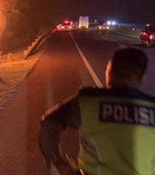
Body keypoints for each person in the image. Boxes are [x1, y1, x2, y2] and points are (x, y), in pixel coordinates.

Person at [38, 47, 155, 175]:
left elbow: (49, 124)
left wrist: (57, 161)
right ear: (142, 78)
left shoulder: (88, 102)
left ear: (109, 72)